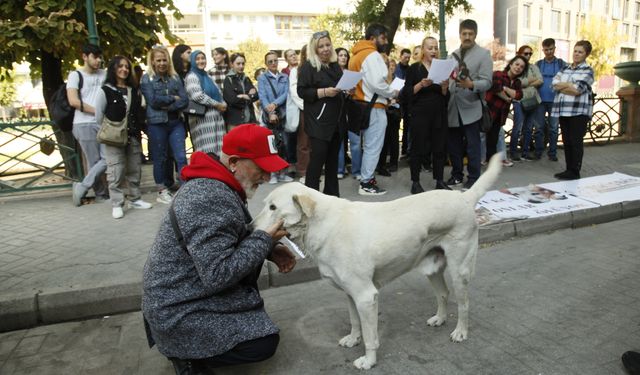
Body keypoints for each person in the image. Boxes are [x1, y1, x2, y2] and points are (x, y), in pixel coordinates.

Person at [142, 124, 297, 375]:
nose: (267, 178)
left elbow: (230, 237)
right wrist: (262, 241)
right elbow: (218, 274)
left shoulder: (218, 183)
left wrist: (270, 248)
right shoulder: (209, 196)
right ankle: (187, 357)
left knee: (257, 319)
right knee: (263, 343)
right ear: (234, 162)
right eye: (262, 169)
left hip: (186, 294)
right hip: (177, 310)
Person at [95, 56, 152, 219]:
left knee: (134, 169)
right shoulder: (105, 90)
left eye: (127, 67)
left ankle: (135, 198)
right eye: (120, 66)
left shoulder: (133, 89)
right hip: (113, 138)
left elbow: (139, 111)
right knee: (116, 170)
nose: (124, 70)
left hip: (132, 135)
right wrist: (113, 130)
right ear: (113, 68)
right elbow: (99, 116)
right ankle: (117, 203)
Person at [349, 23, 398, 196]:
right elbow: (377, 83)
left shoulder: (355, 56)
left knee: (367, 145)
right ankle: (366, 183)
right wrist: (393, 91)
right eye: (383, 37)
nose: (385, 41)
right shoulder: (372, 55)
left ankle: (366, 178)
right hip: (374, 106)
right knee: (373, 146)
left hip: (360, 105)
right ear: (372, 38)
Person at [297, 30, 345, 197]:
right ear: (315, 49)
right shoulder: (308, 67)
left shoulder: (334, 65)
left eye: (327, 45)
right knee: (317, 162)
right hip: (318, 122)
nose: (325, 49)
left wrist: (348, 89)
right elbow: (302, 91)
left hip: (336, 121)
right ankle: (310, 198)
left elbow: (340, 86)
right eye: (321, 46)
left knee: (332, 162)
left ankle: (332, 198)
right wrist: (324, 92)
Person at [446, 19, 493, 189]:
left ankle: (474, 177)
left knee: (473, 146)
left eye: (470, 34)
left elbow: (487, 82)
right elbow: (449, 78)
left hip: (472, 106)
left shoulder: (484, 54)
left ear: (475, 35)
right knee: (454, 146)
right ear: (459, 34)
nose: (467, 37)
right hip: (453, 107)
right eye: (464, 34)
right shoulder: (452, 55)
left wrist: (471, 85)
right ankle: (456, 175)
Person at [140, 45, 189, 204]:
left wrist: (170, 105)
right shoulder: (147, 78)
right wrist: (172, 98)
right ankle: (161, 190)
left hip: (175, 122)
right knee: (160, 158)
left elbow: (184, 100)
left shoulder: (175, 78)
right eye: (158, 60)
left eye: (164, 60)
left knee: (181, 156)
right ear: (153, 62)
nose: (162, 63)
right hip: (156, 123)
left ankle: (184, 188)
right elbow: (152, 101)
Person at [403, 36, 450, 194]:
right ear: (423, 50)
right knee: (417, 148)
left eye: (436, 48)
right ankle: (415, 182)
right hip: (420, 114)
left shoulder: (441, 68)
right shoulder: (414, 68)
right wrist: (421, 85)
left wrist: (444, 87)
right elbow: (406, 93)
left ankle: (439, 180)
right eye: (430, 48)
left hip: (438, 113)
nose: (434, 51)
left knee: (439, 147)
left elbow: (446, 96)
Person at [68, 43, 108, 206]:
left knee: (106, 159)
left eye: (100, 57)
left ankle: (82, 187)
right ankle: (101, 195)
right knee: (94, 161)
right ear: (85, 56)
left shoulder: (104, 74)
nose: (98, 60)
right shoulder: (75, 75)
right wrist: (98, 111)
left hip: (103, 123)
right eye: (94, 56)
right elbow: (73, 101)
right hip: (83, 123)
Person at [551, 40, 594, 180]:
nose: (576, 54)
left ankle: (575, 171)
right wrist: (569, 84)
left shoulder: (588, 70)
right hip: (563, 110)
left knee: (576, 141)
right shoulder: (565, 68)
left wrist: (564, 86)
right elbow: (553, 85)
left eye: (580, 52)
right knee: (566, 141)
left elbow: (577, 90)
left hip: (578, 112)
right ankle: (568, 169)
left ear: (586, 54)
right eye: (575, 51)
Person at [257, 51, 292, 184]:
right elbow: (262, 96)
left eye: (275, 60)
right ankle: (273, 173)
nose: (273, 63)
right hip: (269, 115)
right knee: (272, 145)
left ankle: (283, 172)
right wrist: (270, 111)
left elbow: (286, 94)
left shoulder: (284, 77)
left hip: (282, 113)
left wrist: (275, 104)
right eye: (270, 61)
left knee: (285, 144)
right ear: (266, 64)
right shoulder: (262, 78)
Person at [185, 50, 227, 155]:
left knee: (219, 149)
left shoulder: (207, 76)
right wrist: (217, 104)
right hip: (202, 120)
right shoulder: (191, 76)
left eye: (203, 58)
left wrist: (223, 103)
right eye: (197, 59)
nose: (201, 61)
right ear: (193, 62)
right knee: (207, 151)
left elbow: (218, 92)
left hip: (216, 118)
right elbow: (197, 95)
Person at [485, 55, 525, 163]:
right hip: (489, 111)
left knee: (493, 139)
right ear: (511, 64)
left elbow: (518, 95)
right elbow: (496, 89)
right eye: (516, 64)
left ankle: (489, 161)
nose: (518, 68)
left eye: (521, 67)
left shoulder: (517, 82)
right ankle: (479, 160)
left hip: (501, 114)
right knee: (482, 136)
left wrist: (506, 88)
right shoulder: (499, 74)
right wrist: (507, 97)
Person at [535, 38, 567, 162]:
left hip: (555, 101)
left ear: (554, 48)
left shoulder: (561, 64)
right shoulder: (538, 64)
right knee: (539, 128)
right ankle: (538, 152)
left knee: (554, 129)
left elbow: (568, 78)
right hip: (539, 101)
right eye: (546, 49)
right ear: (543, 50)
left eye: (551, 49)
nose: (548, 52)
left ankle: (552, 153)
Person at [511, 45, 543, 161]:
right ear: (519, 54)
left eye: (530, 53)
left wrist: (525, 83)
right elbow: (516, 83)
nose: (528, 56)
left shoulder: (533, 67)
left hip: (532, 101)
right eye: (525, 53)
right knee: (517, 127)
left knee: (529, 128)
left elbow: (540, 80)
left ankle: (525, 152)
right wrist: (529, 81)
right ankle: (513, 152)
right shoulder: (516, 66)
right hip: (519, 100)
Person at [336, 47, 362, 181]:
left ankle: (357, 170)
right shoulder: (332, 73)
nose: (343, 57)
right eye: (340, 55)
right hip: (338, 110)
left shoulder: (351, 73)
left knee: (355, 141)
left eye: (345, 55)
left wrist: (351, 92)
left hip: (351, 109)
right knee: (339, 141)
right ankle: (340, 169)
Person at [286, 46, 309, 181]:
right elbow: (295, 92)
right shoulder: (296, 70)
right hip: (304, 110)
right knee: (304, 142)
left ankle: (314, 169)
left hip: (318, 110)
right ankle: (303, 171)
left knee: (315, 142)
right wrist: (306, 107)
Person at [377, 57, 401, 176]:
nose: (391, 68)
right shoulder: (381, 81)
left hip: (394, 112)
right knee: (383, 139)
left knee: (394, 138)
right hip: (383, 110)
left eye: (393, 66)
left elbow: (403, 95)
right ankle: (381, 164)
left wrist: (396, 98)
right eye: (388, 66)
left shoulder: (398, 81)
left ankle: (393, 163)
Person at [223, 52, 258, 130]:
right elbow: (232, 100)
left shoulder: (247, 79)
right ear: (232, 64)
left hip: (250, 121)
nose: (241, 66)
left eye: (243, 63)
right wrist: (249, 97)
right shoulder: (228, 80)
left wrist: (243, 96)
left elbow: (256, 96)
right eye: (238, 64)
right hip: (235, 122)